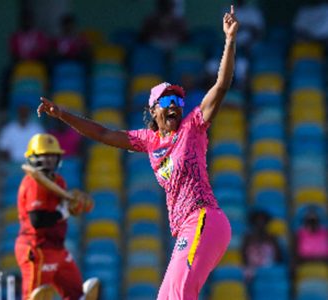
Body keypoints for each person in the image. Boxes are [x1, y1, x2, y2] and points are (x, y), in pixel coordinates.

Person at [37, 6, 238, 299]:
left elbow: (220, 87)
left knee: (180, 294)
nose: (174, 105)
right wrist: (63, 115)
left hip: (204, 219)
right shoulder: (149, 140)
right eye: (166, 99)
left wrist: (229, 40)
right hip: (185, 230)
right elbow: (104, 134)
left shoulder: (192, 126)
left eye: (178, 101)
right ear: (153, 110)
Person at [15, 133, 99, 300]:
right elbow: (37, 220)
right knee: (36, 296)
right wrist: (65, 211)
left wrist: (72, 205)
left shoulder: (58, 181)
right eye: (44, 155)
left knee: (77, 294)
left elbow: (61, 210)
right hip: (37, 247)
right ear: (33, 157)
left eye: (52, 155)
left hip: (57, 248)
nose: (49, 160)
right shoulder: (33, 183)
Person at [241, 210, 283, 282]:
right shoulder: (247, 238)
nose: (260, 223)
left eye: (262, 221)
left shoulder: (272, 238)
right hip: (252, 269)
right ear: (253, 223)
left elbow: (278, 256)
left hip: (269, 269)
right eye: (257, 221)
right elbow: (244, 255)